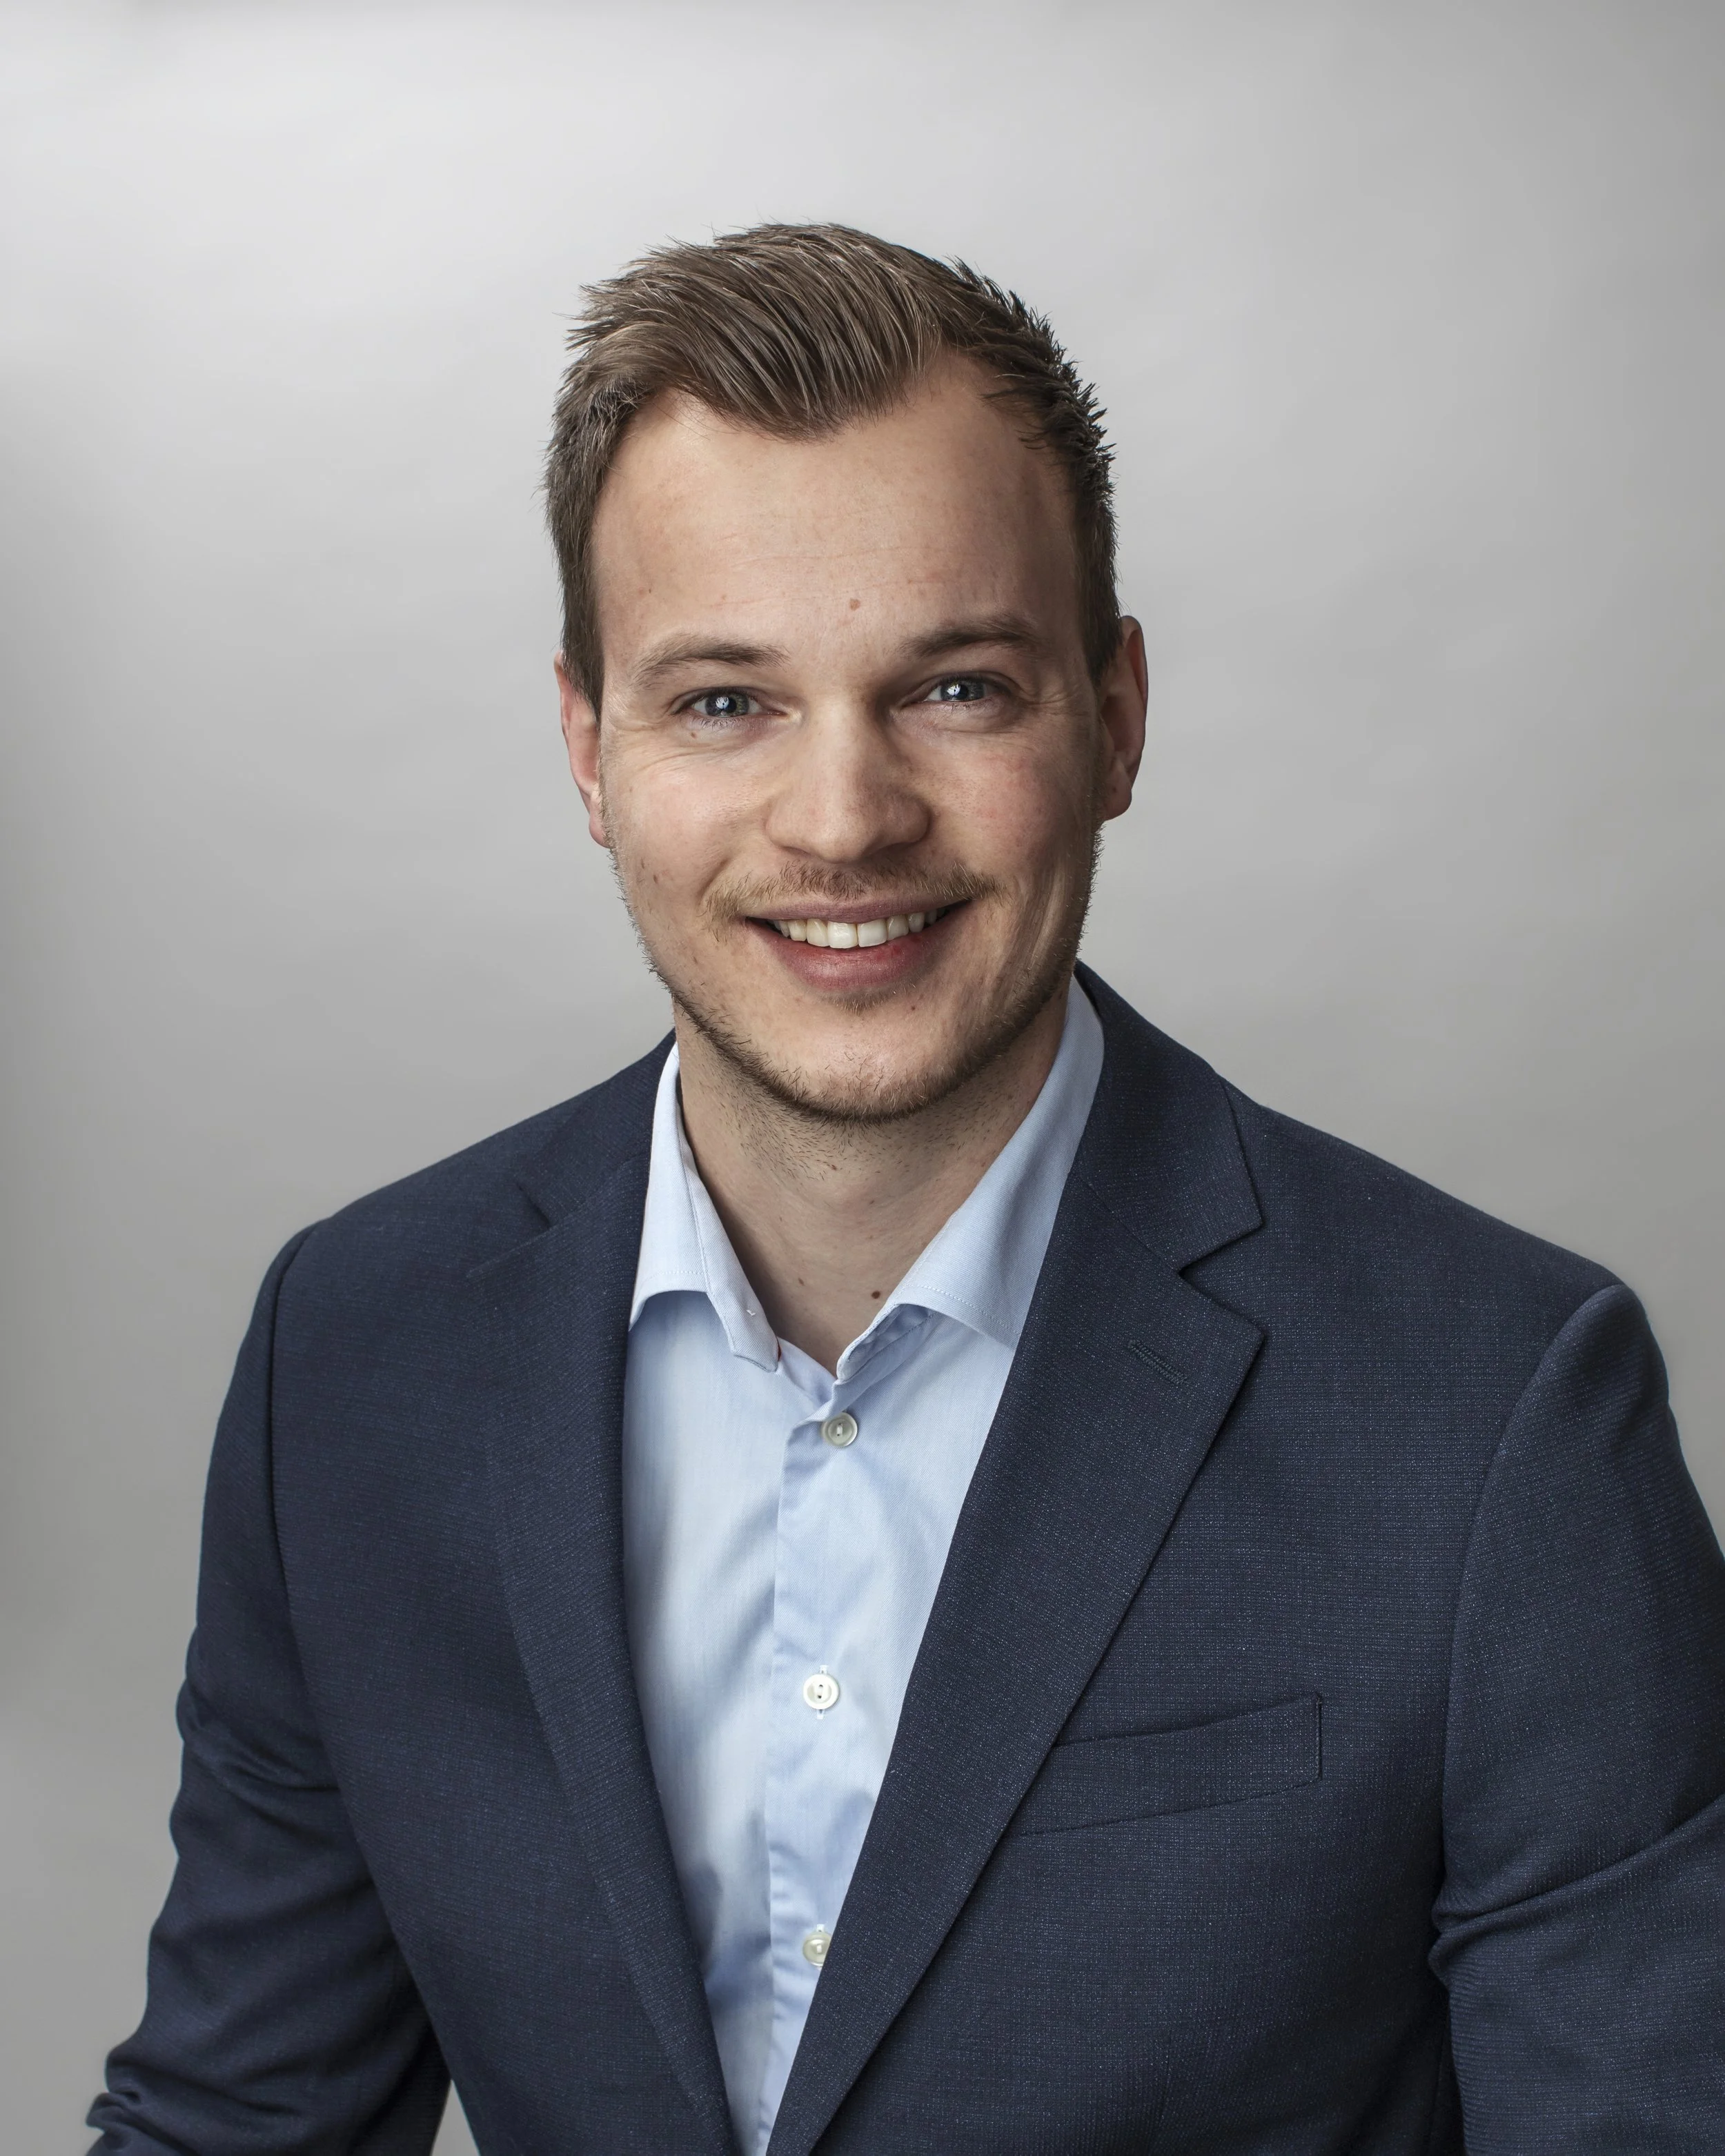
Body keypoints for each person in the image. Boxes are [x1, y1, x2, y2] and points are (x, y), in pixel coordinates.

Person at [90, 224, 1724, 2156]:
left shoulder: (1499, 1409)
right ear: (588, 750)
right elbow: (235, 2118)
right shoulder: (359, 1355)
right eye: (725, 701)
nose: (844, 818)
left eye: (954, 687)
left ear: (1115, 716)